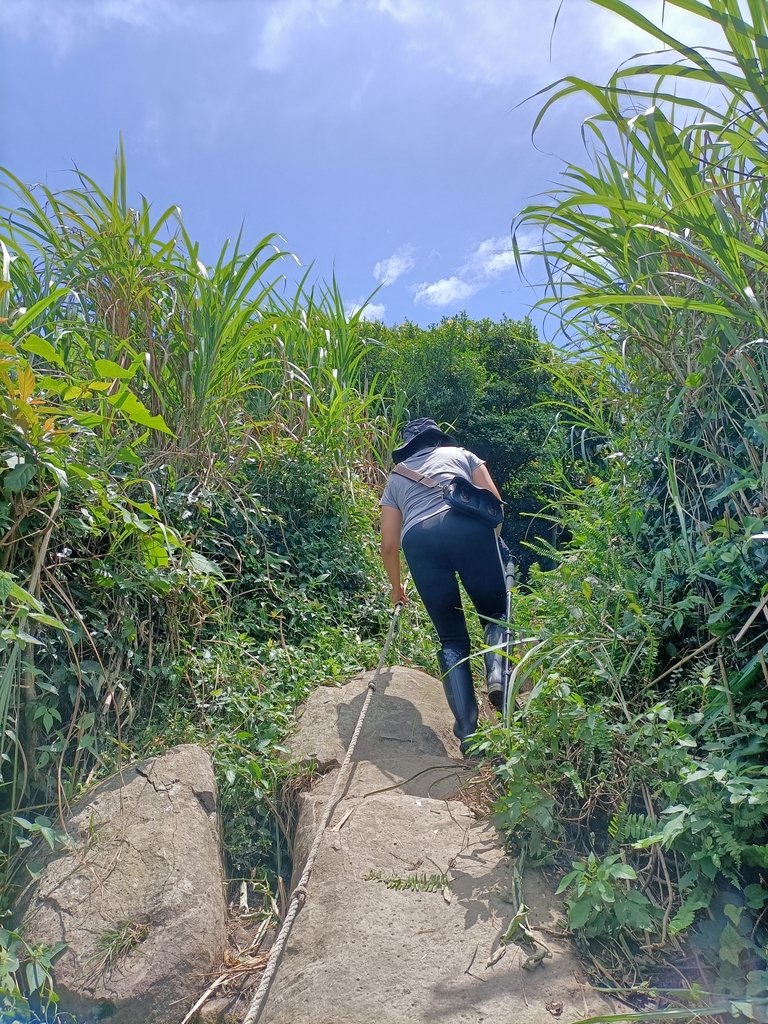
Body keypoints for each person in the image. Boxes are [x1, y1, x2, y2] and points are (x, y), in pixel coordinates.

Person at [379, 417, 508, 755]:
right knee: (495, 614)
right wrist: (490, 546)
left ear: (408, 447)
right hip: (468, 529)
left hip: (419, 543)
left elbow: (389, 546)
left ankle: (468, 734)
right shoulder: (463, 454)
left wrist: (396, 588)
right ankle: (497, 678)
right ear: (437, 438)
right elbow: (495, 504)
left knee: (451, 639)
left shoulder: (396, 477)